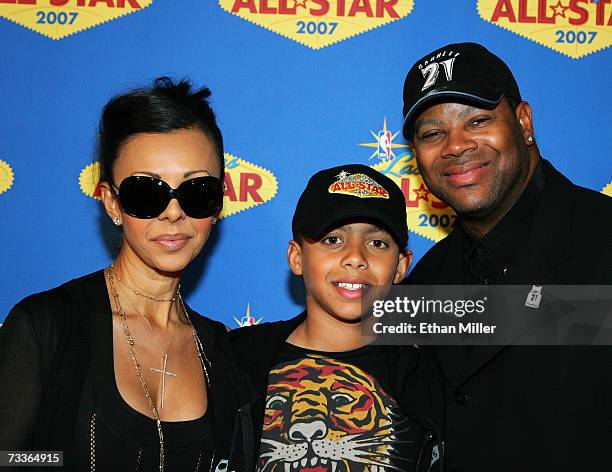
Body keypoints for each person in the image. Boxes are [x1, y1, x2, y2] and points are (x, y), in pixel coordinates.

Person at [0, 77, 240, 471]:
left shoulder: (220, 350)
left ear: (217, 204)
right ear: (112, 202)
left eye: (197, 191)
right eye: (147, 193)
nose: (174, 212)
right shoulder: (48, 327)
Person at [401, 42, 612, 470]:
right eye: (432, 133)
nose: (455, 146)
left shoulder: (603, 239)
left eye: (477, 120)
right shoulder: (425, 279)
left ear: (524, 122)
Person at [227, 164, 444, 472]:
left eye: (377, 243)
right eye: (332, 240)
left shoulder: (429, 375)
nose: (355, 257)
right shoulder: (237, 360)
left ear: (400, 266)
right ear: (297, 257)